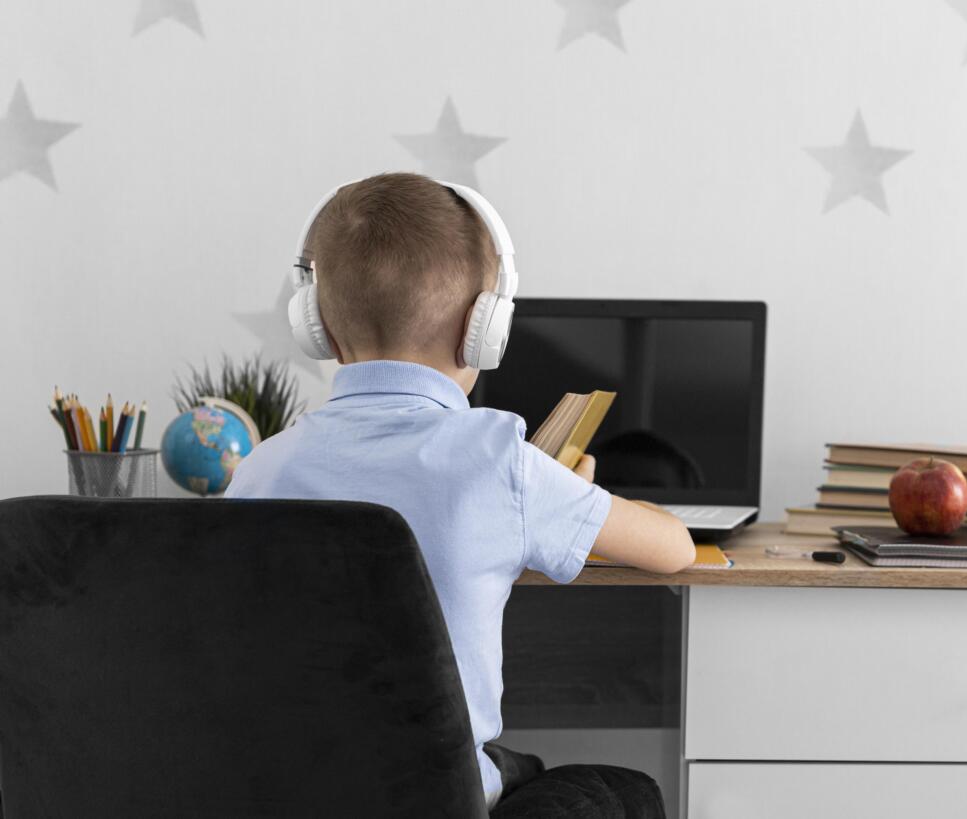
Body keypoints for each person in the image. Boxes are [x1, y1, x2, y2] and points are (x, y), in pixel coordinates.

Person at [225, 172, 695, 809]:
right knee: (626, 789)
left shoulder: (261, 469)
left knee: (518, 766)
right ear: (483, 328)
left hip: (287, 796)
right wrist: (567, 492)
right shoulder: (500, 460)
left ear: (318, 327)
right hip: (440, 798)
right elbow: (674, 549)